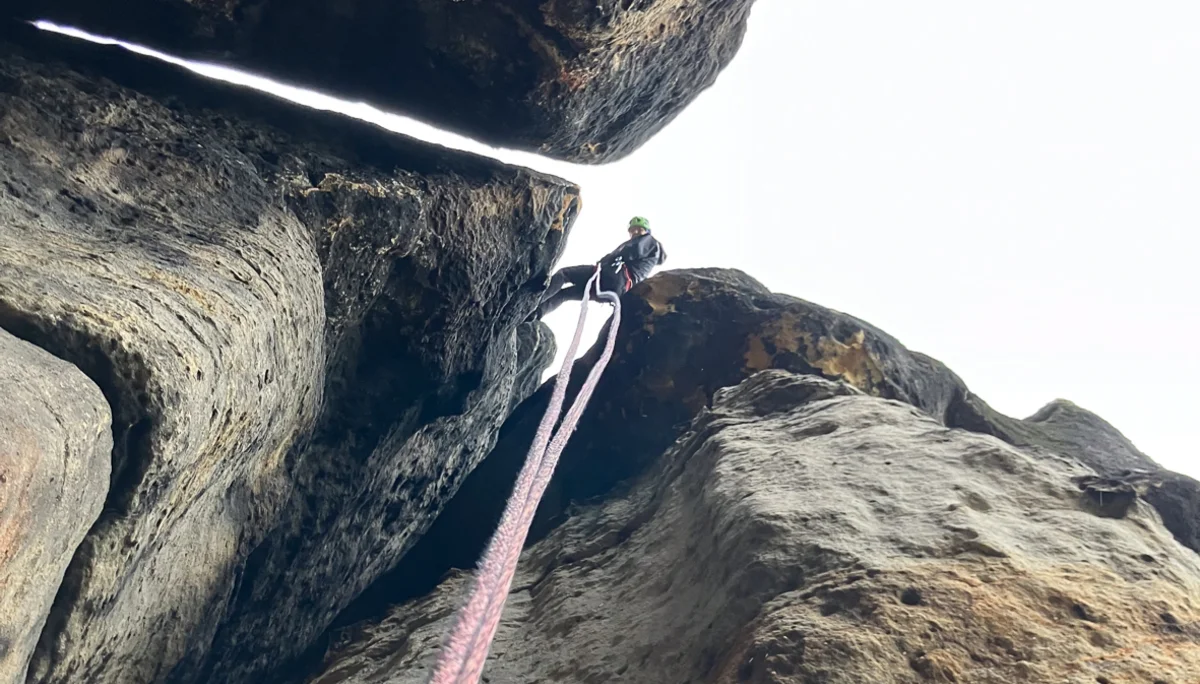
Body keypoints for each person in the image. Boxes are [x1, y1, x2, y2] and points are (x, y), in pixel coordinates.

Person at [535, 216, 667, 318]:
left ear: (647, 231)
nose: (635, 232)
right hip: (615, 290)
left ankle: (534, 301)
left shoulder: (649, 241)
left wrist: (607, 259)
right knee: (565, 294)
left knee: (564, 274)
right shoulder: (650, 251)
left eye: (639, 229)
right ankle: (536, 314)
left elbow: (631, 251)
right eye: (632, 230)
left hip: (614, 276)